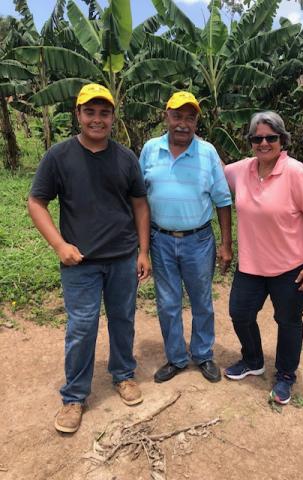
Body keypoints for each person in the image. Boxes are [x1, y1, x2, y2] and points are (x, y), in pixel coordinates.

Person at [28, 83, 151, 433]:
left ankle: (123, 375)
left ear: (113, 116)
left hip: (123, 258)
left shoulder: (125, 157)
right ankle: (74, 396)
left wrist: (143, 251)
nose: (98, 119)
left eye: (105, 112)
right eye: (90, 112)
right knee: (82, 327)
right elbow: (36, 202)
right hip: (79, 263)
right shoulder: (59, 156)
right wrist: (59, 245)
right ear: (78, 115)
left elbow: (140, 204)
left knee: (123, 318)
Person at [224, 111, 303, 405]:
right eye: (257, 138)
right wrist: (190, 138)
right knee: (240, 313)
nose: (264, 143)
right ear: (250, 142)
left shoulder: (296, 172)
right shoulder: (242, 169)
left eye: (271, 137)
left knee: (288, 320)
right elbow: (214, 168)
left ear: (282, 140)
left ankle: (285, 375)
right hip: (251, 265)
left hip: (291, 267)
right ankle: (253, 360)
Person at [139, 91, 232, 384]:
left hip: (198, 241)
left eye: (189, 118)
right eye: (177, 116)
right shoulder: (150, 150)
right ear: (166, 116)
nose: (183, 123)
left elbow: (223, 200)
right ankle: (177, 358)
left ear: (195, 122)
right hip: (161, 239)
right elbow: (139, 199)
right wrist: (141, 247)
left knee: (202, 300)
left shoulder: (208, 153)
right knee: (167, 303)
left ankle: (203, 354)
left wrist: (227, 245)